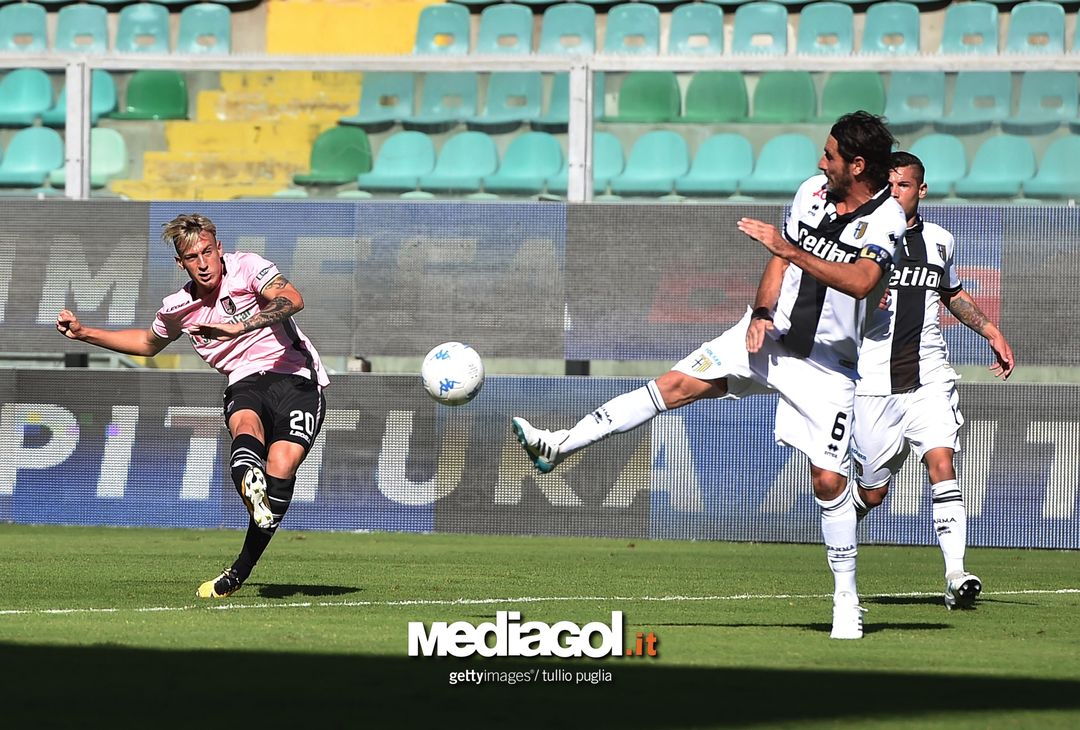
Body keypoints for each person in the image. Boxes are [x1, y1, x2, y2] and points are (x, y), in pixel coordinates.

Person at [512, 111, 907, 640]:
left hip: (825, 367)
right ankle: (558, 445)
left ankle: (845, 601)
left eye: (831, 155)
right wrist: (762, 313)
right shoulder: (812, 191)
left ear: (857, 166)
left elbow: (861, 282)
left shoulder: (888, 220)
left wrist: (790, 249)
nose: (821, 162)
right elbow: (778, 262)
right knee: (672, 385)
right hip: (764, 340)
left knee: (829, 480)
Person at [56, 213, 328, 599]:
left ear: (219, 249)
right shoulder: (178, 308)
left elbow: (293, 298)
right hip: (244, 380)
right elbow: (148, 344)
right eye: (191, 257)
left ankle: (239, 569)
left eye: (206, 252)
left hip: (297, 375)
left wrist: (240, 325)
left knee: (282, 465)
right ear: (180, 263)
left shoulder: (248, 267)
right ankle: (249, 481)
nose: (202, 263)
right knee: (245, 424)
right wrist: (84, 333)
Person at [849, 151, 1014, 610]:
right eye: (889, 184)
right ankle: (840, 518)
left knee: (942, 462)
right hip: (874, 382)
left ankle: (956, 574)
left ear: (921, 190)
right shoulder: (859, 236)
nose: (894, 192)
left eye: (903, 185)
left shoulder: (940, 240)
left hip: (930, 375)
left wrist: (991, 331)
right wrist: (860, 305)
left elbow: (952, 292)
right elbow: (830, 295)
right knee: (873, 492)